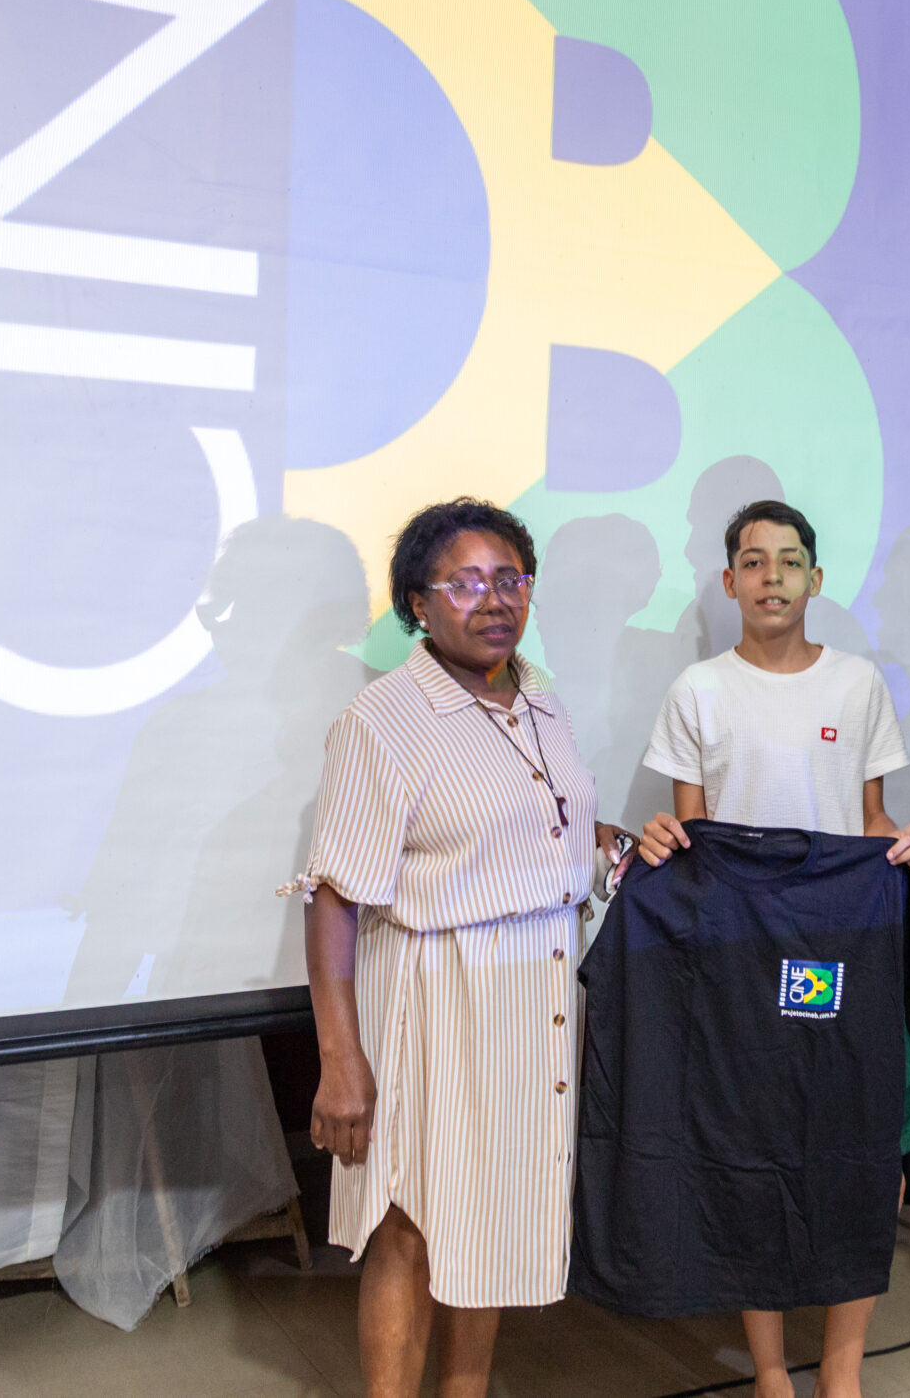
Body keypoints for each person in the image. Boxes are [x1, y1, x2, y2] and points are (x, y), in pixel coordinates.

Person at [299, 499, 620, 1398]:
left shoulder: (540, 698)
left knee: (494, 1222)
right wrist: (340, 1061)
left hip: (538, 1001)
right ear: (418, 602)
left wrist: (613, 843)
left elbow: (542, 828)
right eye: (467, 582)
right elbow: (335, 897)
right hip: (437, 1004)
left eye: (511, 578)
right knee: (411, 1223)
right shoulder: (384, 720)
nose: (496, 599)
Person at [630, 497, 910, 1398]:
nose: (773, 577)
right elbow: (696, 837)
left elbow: (873, 817)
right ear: (730, 581)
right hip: (741, 961)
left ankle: (841, 1372)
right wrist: (660, 841)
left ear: (816, 578)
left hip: (847, 950)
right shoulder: (698, 690)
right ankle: (770, 1371)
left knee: (871, 1149)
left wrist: (906, 845)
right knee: (750, 1153)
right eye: (755, 562)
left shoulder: (857, 684)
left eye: (790, 560)